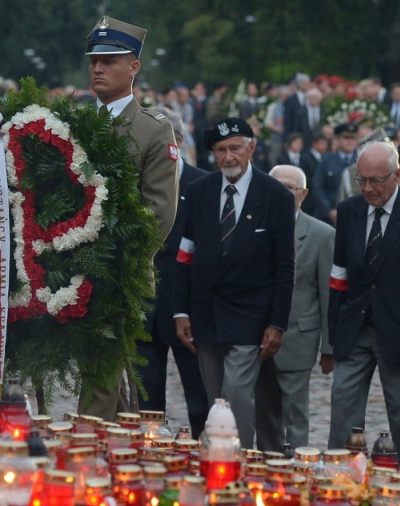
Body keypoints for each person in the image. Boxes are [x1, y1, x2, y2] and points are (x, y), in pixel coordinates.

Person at [79, 15, 180, 420]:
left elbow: (158, 213)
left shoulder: (152, 129)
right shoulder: (77, 124)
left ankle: (89, 452)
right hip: (73, 269)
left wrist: (108, 257)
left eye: (110, 60)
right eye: (93, 61)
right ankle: (117, 448)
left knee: (101, 370)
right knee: (99, 370)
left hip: (121, 271)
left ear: (134, 66)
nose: (98, 69)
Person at [174, 117, 296, 448]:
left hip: (251, 316)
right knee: (216, 398)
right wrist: (180, 312)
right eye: (220, 150)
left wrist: (277, 323)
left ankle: (237, 458)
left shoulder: (275, 196)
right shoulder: (198, 192)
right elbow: (184, 256)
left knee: (236, 392)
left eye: (235, 148)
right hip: (206, 313)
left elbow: (286, 267)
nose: (228, 157)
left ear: (251, 148)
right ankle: (217, 459)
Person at [326, 141, 400, 473]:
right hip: (355, 330)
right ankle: (338, 486)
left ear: (396, 175)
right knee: (342, 414)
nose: (367, 188)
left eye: (376, 180)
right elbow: (339, 276)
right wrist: (333, 333)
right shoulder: (350, 211)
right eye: (361, 179)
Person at [135, 110, 208, 437]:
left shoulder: (202, 184)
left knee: (200, 399)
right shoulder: (134, 181)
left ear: (176, 142)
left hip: (187, 309)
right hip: (144, 307)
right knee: (145, 401)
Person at [254, 164, 334, 451]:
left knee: (296, 413)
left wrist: (329, 345)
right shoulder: (253, 225)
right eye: (278, 186)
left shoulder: (322, 234)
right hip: (256, 335)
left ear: (304, 193)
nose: (284, 193)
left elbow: (327, 293)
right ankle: (268, 464)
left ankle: (301, 467)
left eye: (291, 188)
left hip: (299, 336)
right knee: (264, 412)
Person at [312, 123, 358, 224]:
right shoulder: (326, 160)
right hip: (328, 217)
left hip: (355, 215)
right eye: (346, 137)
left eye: (353, 138)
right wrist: (329, 211)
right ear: (338, 139)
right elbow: (317, 187)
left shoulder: (361, 161)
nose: (349, 141)